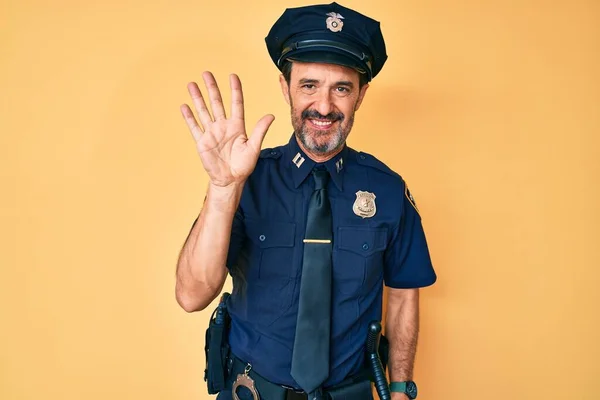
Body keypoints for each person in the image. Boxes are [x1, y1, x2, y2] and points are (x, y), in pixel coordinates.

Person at [176, 2, 436, 399]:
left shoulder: (387, 190)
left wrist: (400, 387)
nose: (325, 106)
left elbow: (402, 294)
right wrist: (224, 188)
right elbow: (192, 294)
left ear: (361, 95)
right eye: (309, 85)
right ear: (286, 88)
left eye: (342, 88)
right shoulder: (245, 180)